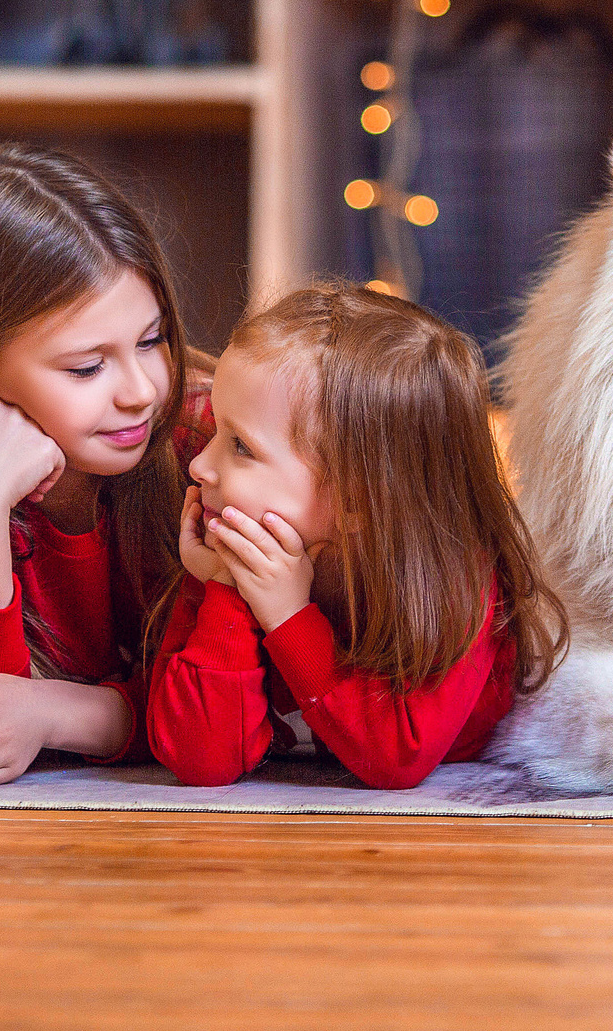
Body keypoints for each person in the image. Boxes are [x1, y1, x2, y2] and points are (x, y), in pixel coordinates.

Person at [0, 144, 206, 784]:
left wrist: (58, 714)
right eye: (86, 367)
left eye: (151, 340)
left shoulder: (203, 444)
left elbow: (229, 711)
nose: (140, 389)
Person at [145, 282, 567, 789]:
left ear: (357, 500)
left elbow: (397, 759)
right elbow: (200, 760)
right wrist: (227, 591)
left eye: (241, 446)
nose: (197, 465)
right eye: (216, 430)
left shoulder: (456, 577)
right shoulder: (234, 546)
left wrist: (287, 615)